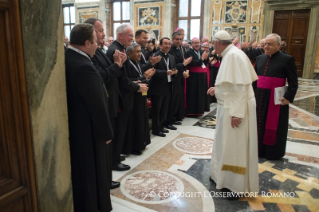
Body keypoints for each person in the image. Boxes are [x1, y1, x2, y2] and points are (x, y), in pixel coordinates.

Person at [65, 23, 113, 211]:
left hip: (75, 126)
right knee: (92, 171)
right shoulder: (85, 66)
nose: (97, 45)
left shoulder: (67, 57)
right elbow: (97, 105)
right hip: (88, 129)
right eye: (95, 41)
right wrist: (107, 132)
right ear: (86, 43)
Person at [207, 30, 259, 199]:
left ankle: (234, 186)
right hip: (231, 105)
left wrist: (237, 114)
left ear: (217, 43)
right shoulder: (232, 53)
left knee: (234, 146)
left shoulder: (233, 56)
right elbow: (233, 84)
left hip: (236, 109)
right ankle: (222, 177)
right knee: (226, 144)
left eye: (213, 44)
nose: (213, 48)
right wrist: (219, 89)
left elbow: (239, 88)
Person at [84, 17, 125, 189]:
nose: (103, 34)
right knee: (103, 146)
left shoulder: (100, 51)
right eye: (100, 30)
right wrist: (117, 65)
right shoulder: (91, 55)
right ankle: (104, 179)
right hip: (103, 104)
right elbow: (101, 76)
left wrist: (118, 64)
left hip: (111, 102)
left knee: (109, 143)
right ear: (91, 32)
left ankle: (108, 172)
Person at [107, 24, 148, 171]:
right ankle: (114, 160)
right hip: (120, 98)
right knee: (119, 130)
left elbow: (122, 77)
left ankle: (116, 156)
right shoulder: (116, 50)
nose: (132, 38)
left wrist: (134, 82)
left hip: (121, 96)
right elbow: (121, 79)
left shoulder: (119, 48)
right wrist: (137, 86)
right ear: (120, 35)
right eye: (130, 35)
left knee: (121, 130)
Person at [254, 33, 298, 160]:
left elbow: (293, 82)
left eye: (270, 44)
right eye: (265, 44)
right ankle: (258, 150)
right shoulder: (260, 58)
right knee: (258, 122)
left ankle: (273, 152)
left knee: (275, 125)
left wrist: (288, 97)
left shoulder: (287, 59)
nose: (266, 46)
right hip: (259, 97)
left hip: (276, 99)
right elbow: (254, 79)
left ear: (278, 45)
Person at [122, 43, 155, 155]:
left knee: (142, 118)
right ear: (129, 53)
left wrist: (147, 77)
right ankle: (134, 146)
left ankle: (142, 142)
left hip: (141, 96)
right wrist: (144, 77)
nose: (140, 54)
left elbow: (140, 77)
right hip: (133, 97)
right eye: (137, 52)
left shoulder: (137, 63)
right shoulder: (127, 64)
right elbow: (129, 81)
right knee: (135, 121)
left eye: (140, 51)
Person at [149, 37, 177, 137]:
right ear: (160, 45)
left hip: (168, 85)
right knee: (157, 109)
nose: (167, 46)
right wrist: (165, 73)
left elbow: (173, 68)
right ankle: (156, 129)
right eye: (165, 43)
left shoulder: (171, 56)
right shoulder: (155, 56)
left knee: (164, 108)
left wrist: (174, 72)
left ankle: (161, 126)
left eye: (169, 44)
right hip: (157, 86)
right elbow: (153, 71)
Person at [168, 32, 192, 125]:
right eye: (177, 39)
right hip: (173, 77)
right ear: (172, 39)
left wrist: (185, 71)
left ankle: (177, 116)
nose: (178, 41)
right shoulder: (170, 49)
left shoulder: (182, 48)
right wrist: (183, 65)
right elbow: (172, 65)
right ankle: (171, 118)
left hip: (180, 76)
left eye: (180, 39)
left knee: (178, 97)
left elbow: (184, 60)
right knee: (173, 98)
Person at [185, 37, 210, 116]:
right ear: (192, 44)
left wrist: (205, 59)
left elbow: (206, 62)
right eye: (195, 43)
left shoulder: (202, 51)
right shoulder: (188, 52)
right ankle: (192, 111)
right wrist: (202, 59)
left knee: (201, 93)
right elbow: (192, 62)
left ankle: (200, 110)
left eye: (198, 43)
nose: (197, 44)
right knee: (193, 93)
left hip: (201, 76)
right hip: (193, 76)